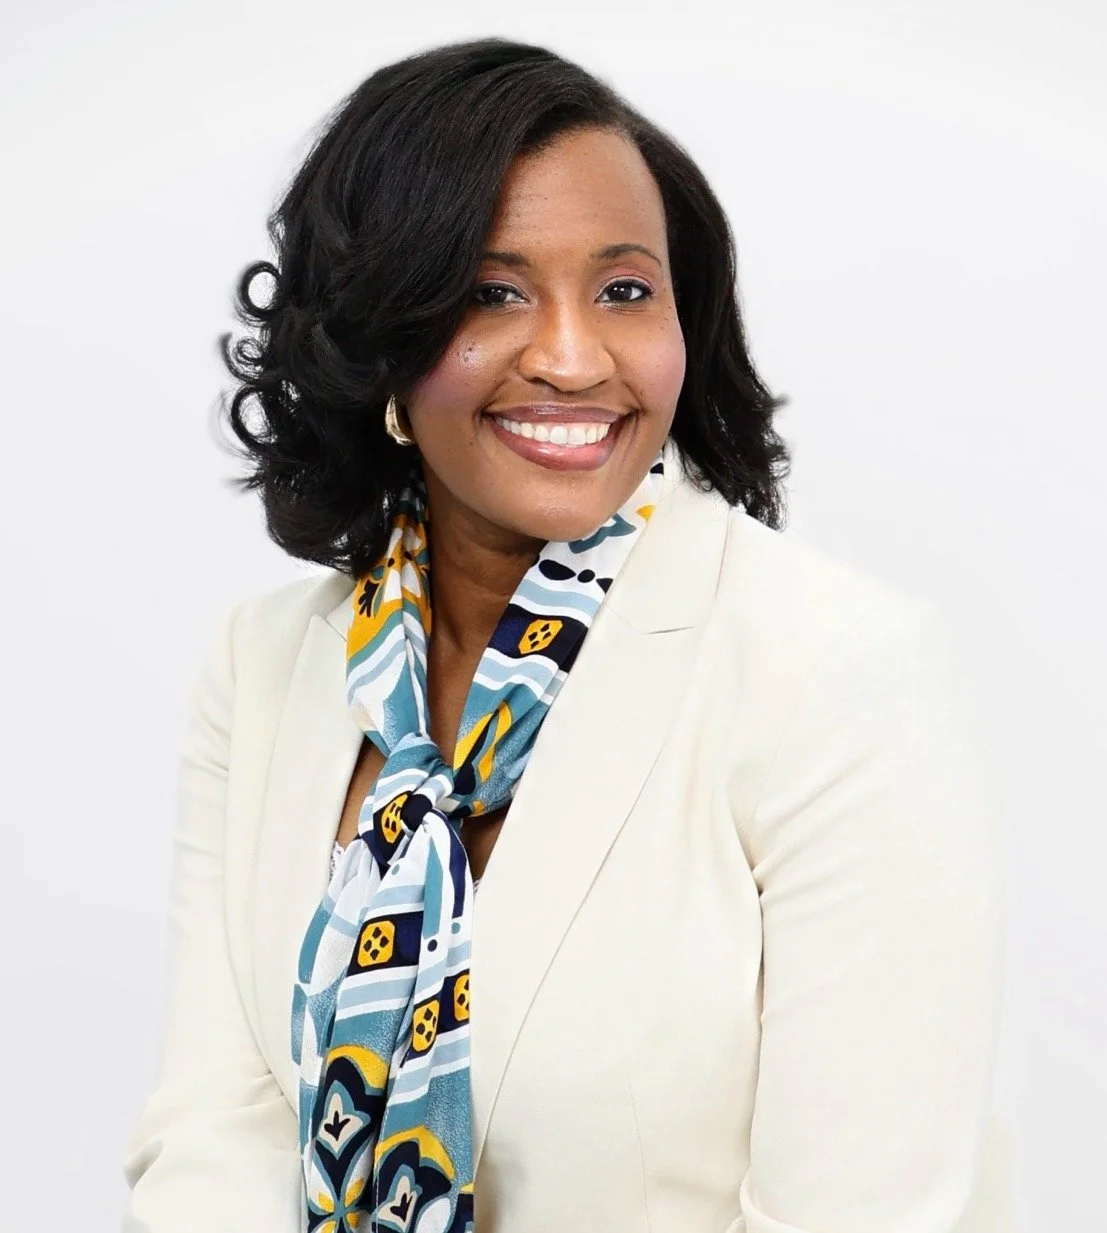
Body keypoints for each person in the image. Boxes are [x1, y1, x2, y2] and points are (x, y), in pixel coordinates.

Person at [121, 36, 1011, 1233]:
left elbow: (859, 1212)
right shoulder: (265, 669)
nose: (573, 357)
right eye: (493, 293)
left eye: (625, 291)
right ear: (378, 338)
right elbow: (213, 1136)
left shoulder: (832, 672)